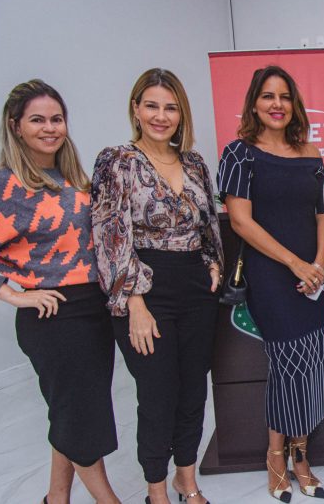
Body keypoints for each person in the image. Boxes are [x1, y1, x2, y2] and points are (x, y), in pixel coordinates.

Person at [0, 80, 120, 504]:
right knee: (81, 419)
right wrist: (12, 294)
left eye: (56, 119)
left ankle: (56, 497)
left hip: (94, 311)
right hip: (53, 316)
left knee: (74, 413)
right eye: (37, 120)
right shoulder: (0, 186)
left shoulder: (74, 179)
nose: (49, 128)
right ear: (16, 126)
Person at [91, 68, 222, 504]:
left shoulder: (195, 163)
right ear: (136, 109)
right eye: (151, 106)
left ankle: (187, 479)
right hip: (145, 290)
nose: (161, 116)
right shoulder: (117, 161)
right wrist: (135, 303)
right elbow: (110, 235)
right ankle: (156, 490)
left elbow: (208, 226)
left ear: (182, 114)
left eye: (171, 108)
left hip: (196, 290)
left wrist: (212, 265)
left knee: (193, 389)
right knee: (157, 394)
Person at [217, 65, 324, 502]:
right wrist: (295, 264)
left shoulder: (311, 153)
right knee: (288, 365)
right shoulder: (239, 154)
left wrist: (318, 263)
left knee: (314, 362)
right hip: (271, 275)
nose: (277, 104)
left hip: (314, 276)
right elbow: (241, 222)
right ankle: (275, 456)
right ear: (253, 104)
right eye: (268, 96)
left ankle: (301, 456)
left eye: (284, 96)